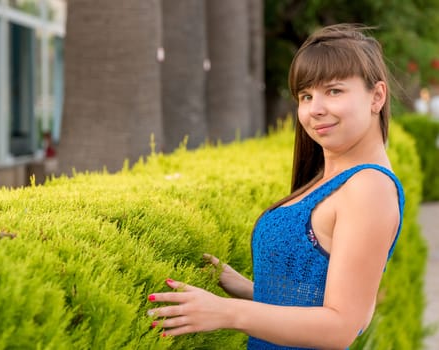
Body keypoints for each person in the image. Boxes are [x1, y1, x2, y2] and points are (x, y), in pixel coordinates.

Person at [147, 23, 405, 350]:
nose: (316, 109)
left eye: (334, 91)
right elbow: (313, 299)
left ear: (377, 96)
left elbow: (341, 326)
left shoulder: (369, 188)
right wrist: (245, 288)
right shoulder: (334, 178)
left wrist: (229, 312)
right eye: (306, 95)